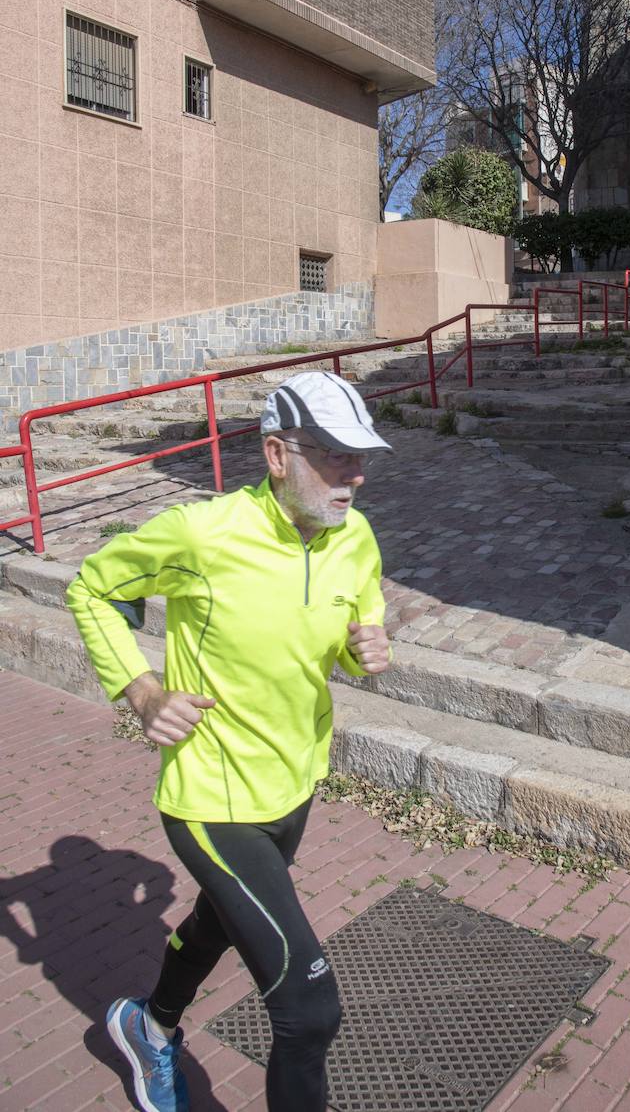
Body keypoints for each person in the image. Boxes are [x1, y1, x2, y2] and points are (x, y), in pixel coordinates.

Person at [66, 371, 394, 1112]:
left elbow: (361, 604)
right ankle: (152, 1031)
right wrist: (141, 689)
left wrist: (365, 646)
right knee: (310, 1015)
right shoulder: (202, 534)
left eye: (361, 455)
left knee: (219, 917)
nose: (355, 473)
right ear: (277, 455)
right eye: (335, 454)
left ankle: (148, 1028)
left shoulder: (356, 535)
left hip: (294, 783)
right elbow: (91, 587)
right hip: (213, 798)